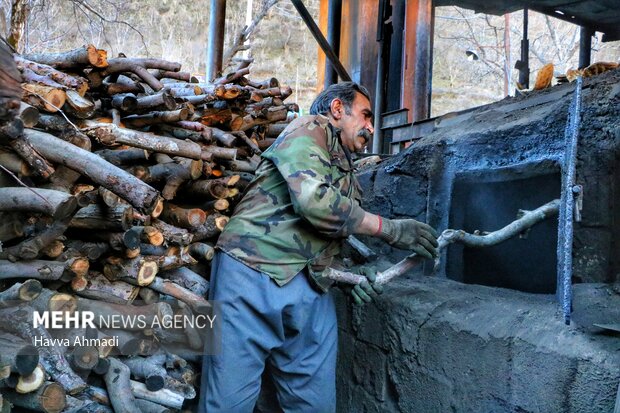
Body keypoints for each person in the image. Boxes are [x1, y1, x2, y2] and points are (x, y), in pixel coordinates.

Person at [199, 82, 438, 413]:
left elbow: (330, 232)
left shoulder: (347, 172)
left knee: (316, 405)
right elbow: (315, 203)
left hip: (310, 287)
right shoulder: (310, 128)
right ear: (338, 109)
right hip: (253, 272)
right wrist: (391, 229)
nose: (371, 127)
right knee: (228, 402)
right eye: (366, 116)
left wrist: (354, 272)